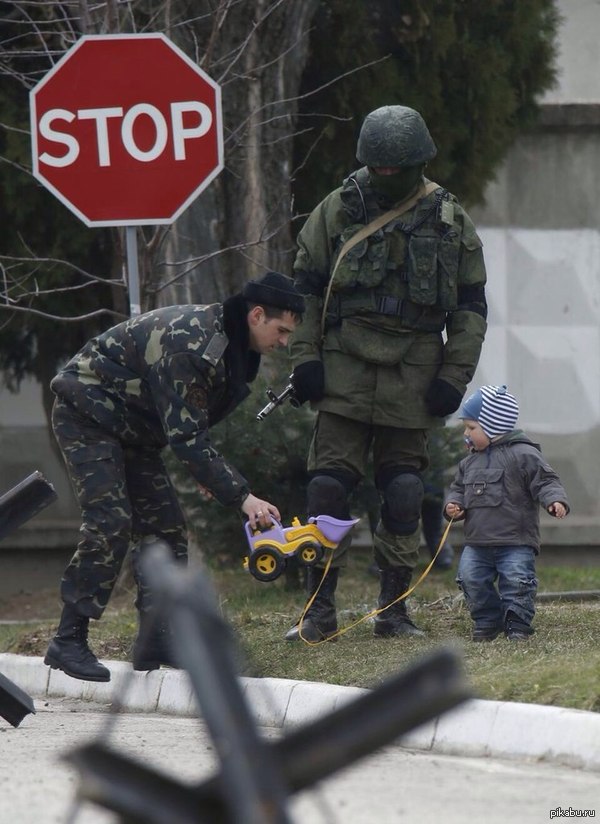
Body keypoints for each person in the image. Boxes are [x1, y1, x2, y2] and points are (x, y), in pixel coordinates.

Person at [285, 104, 488, 641]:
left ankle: (393, 610)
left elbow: (471, 307)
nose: (387, 177)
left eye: (398, 168)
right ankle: (318, 608)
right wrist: (304, 359)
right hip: (343, 369)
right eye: (379, 168)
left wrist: (454, 376)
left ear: (420, 161)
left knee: (402, 490)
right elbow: (303, 290)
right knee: (327, 488)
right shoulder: (337, 209)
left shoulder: (448, 216)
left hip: (413, 372)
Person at [44, 272, 305, 681]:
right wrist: (242, 497)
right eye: (282, 330)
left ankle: (157, 639)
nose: (285, 341)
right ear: (257, 315)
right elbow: (186, 435)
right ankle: (68, 639)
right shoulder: (195, 344)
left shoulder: (236, 350)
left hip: (135, 429)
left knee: (166, 531)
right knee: (110, 522)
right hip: (87, 414)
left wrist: (204, 468)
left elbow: (191, 424)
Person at [444, 384, 570, 641]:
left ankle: (517, 623)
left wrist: (555, 500)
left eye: (471, 428)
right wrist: (453, 506)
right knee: (470, 580)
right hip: (477, 542)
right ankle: (488, 620)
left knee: (517, 582)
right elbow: (458, 489)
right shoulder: (468, 462)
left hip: (515, 541)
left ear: (494, 427)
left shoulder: (524, 454)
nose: (466, 434)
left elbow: (546, 481)